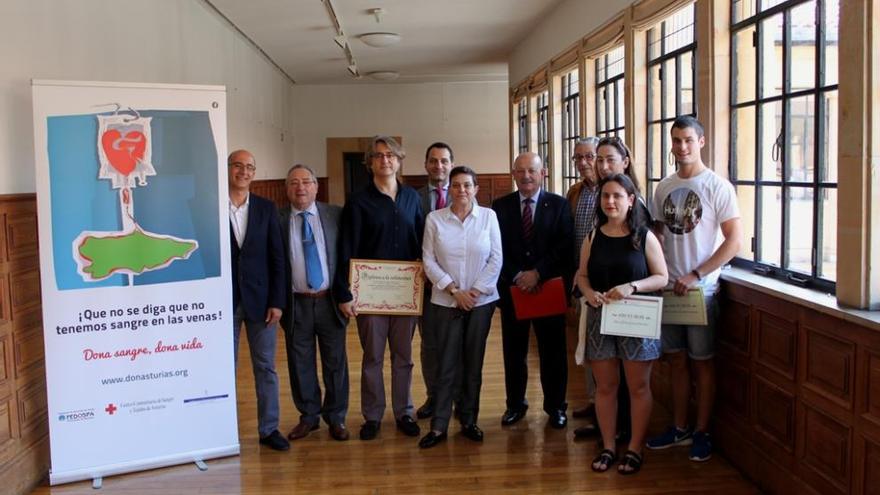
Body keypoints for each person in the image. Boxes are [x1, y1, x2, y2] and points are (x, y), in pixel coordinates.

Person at [646, 115, 741, 462]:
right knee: (676, 361)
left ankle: (702, 432)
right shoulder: (664, 186)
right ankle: (680, 427)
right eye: (676, 140)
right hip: (668, 291)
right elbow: (657, 236)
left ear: (700, 142)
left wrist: (697, 273)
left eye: (687, 140)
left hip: (702, 292)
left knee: (702, 362)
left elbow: (734, 242)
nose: (681, 147)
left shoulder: (718, 186)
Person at [576, 174, 668, 474]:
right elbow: (582, 275)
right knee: (605, 387)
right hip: (601, 318)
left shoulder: (644, 236)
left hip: (636, 317)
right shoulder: (592, 236)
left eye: (617, 196)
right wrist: (589, 294)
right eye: (605, 196)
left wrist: (632, 286)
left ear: (631, 200)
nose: (610, 201)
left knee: (638, 387)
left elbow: (662, 277)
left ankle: (634, 447)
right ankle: (608, 446)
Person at [334, 136, 424, 441]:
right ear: (369, 162)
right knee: (372, 356)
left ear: (399, 161)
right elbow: (346, 248)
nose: (385, 160)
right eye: (378, 156)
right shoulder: (358, 201)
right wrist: (344, 292)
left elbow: (423, 241)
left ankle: (404, 412)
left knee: (404, 356)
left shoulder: (412, 197)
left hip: (404, 294)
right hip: (369, 293)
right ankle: (372, 416)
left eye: (391, 155)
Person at [418, 166, 502, 448]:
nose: (462, 190)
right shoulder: (435, 219)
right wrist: (455, 291)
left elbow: (496, 259)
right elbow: (428, 261)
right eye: (456, 185)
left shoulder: (489, 217)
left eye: (467, 185)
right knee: (446, 364)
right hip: (445, 301)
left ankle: (468, 419)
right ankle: (439, 425)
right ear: (449, 189)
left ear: (476, 189)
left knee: (473, 363)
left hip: (480, 302)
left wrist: (474, 292)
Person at [492, 152, 574, 429]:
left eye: (532, 170)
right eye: (520, 171)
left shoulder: (560, 205)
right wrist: (518, 275)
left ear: (543, 173)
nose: (526, 176)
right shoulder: (499, 207)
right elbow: (495, 248)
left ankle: (556, 407)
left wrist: (538, 272)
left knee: (553, 353)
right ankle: (515, 405)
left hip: (547, 289)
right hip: (513, 291)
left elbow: (564, 247)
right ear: (513, 174)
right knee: (513, 353)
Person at [279, 164, 350, 442]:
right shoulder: (277, 218)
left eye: (306, 182)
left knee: (335, 363)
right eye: (294, 182)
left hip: (329, 301)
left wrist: (348, 294)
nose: (301, 188)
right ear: (286, 189)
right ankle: (309, 416)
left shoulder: (335, 215)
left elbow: (346, 256)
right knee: (300, 363)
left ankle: (336, 417)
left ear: (316, 186)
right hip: (295, 303)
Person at [227, 149, 288, 451]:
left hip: (262, 302)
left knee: (265, 367)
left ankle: (269, 429)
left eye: (249, 167)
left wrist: (277, 301)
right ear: (228, 169)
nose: (244, 171)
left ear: (254, 172)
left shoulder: (266, 208)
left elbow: (278, 258)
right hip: (222, 303)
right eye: (238, 166)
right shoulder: (209, 206)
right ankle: (221, 430)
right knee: (224, 368)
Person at [565, 136, 601, 436]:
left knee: (605, 351)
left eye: (589, 156)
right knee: (586, 346)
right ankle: (593, 400)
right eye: (578, 158)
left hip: (605, 285)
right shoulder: (574, 192)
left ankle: (608, 407)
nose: (584, 163)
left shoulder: (613, 191)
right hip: (580, 282)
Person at [415, 142, 453, 420]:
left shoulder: (466, 194)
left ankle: (460, 398)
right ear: (426, 164)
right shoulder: (412, 198)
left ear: (451, 164)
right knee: (430, 345)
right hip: (424, 286)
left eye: (444, 161)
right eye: (433, 161)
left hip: (458, 288)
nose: (438, 166)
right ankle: (434, 397)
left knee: (458, 344)